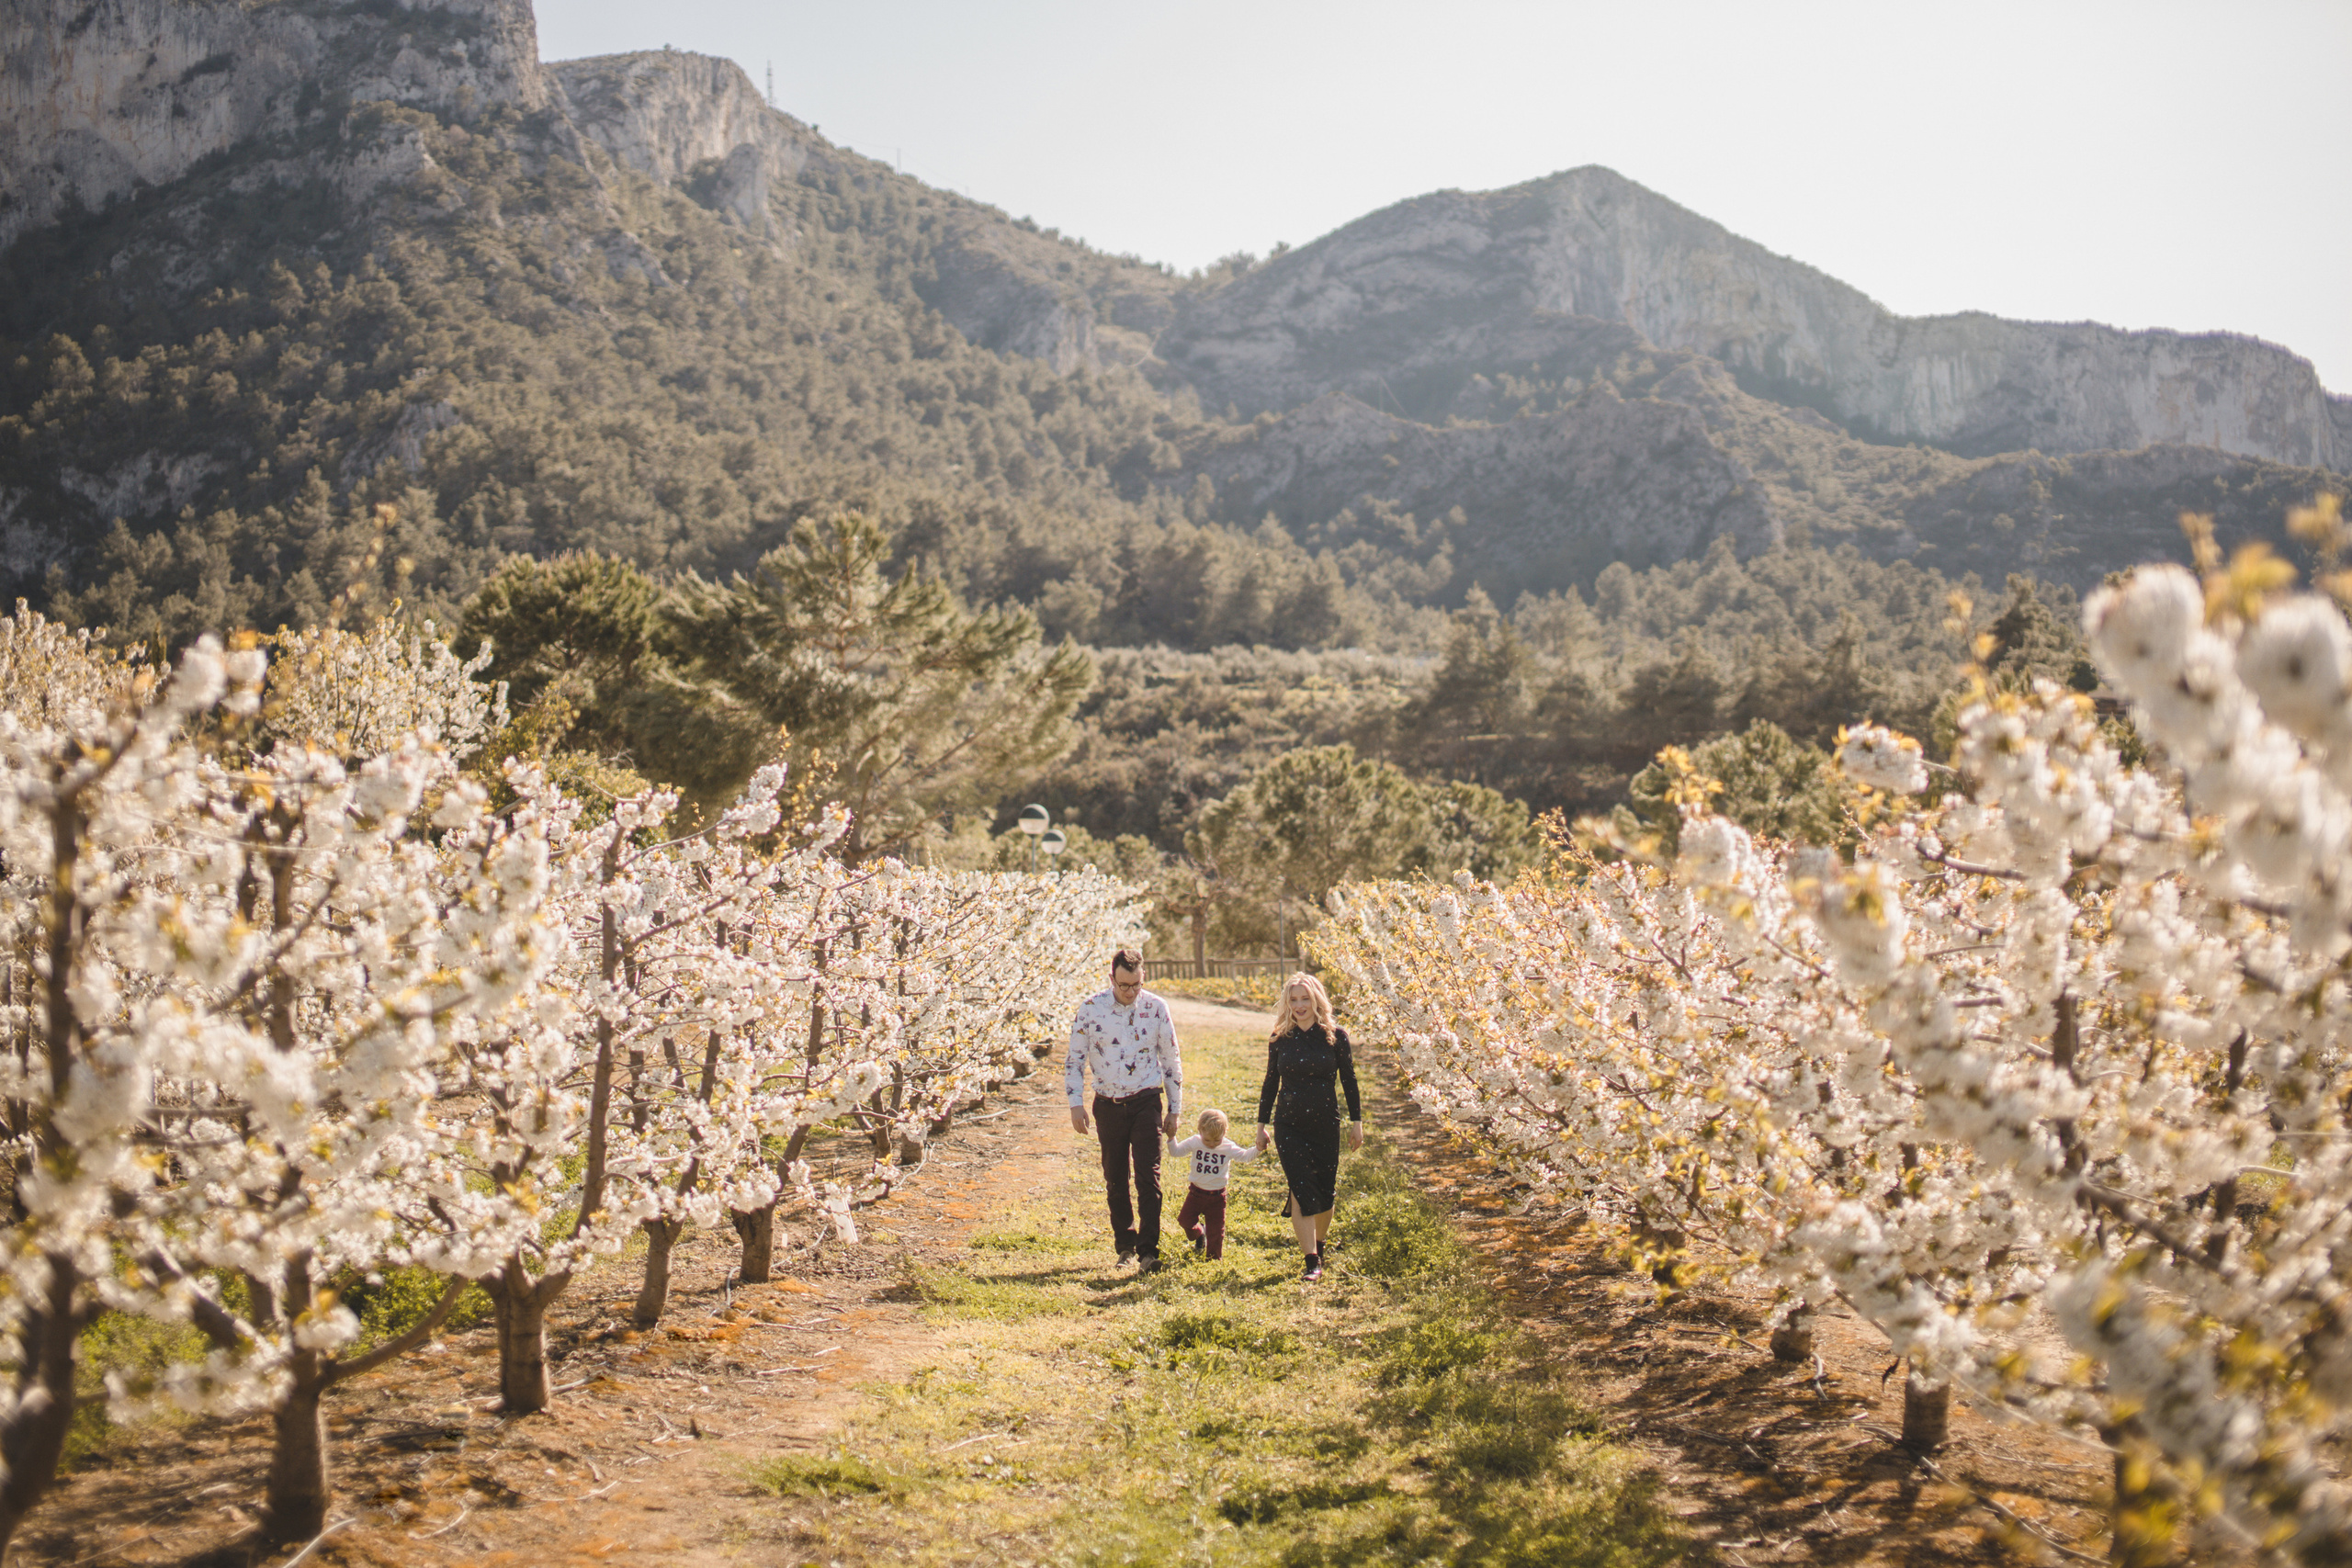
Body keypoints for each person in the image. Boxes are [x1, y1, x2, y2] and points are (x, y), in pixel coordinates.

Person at [1066, 949, 1182, 1271]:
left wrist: (1174, 1109)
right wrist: (1075, 1104)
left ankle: (1148, 1251)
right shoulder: (1091, 1009)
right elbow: (1074, 1060)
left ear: (1143, 978)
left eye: (1136, 985)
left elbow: (1170, 1059)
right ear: (1111, 979)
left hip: (1146, 1099)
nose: (1130, 992)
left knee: (1149, 1177)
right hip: (1108, 1104)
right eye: (1124, 985)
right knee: (1115, 1178)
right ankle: (1125, 1246)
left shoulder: (1156, 1008)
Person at [1255, 972, 1361, 1280]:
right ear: (1287, 1003)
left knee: (1325, 1192)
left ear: (1316, 1000)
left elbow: (1349, 1081)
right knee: (1300, 1189)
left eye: (1305, 999)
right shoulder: (1279, 1038)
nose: (1299, 1005)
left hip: (1325, 1124)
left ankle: (1320, 1245)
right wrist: (1261, 1125)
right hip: (1289, 1125)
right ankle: (1311, 1261)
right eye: (1293, 1000)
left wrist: (1357, 1123)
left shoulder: (1335, 1037)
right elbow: (1270, 1082)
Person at [1168, 1108, 1260, 1261]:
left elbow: (1245, 1156)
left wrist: (1258, 1148)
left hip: (1217, 1196)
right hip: (1196, 1193)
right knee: (1185, 1220)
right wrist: (1171, 1138)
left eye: (1217, 1140)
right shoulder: (1195, 1142)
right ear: (1200, 1131)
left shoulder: (1227, 1147)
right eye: (1207, 1140)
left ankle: (1213, 1260)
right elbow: (1176, 1152)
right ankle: (1200, 1233)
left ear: (1225, 1132)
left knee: (1216, 1231)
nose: (1211, 1144)